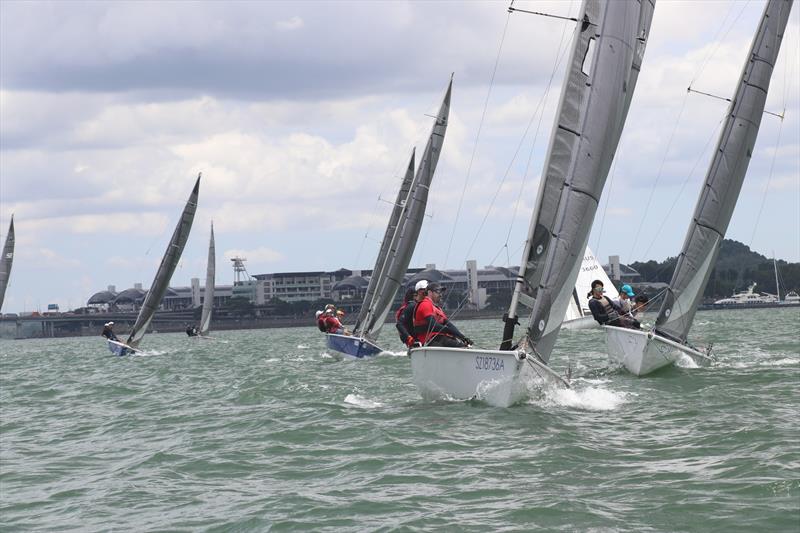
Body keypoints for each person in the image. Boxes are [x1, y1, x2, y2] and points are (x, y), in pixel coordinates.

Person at [412, 280, 473, 348]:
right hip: (429, 341)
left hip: (440, 338)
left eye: (441, 292)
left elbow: (449, 325)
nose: (440, 294)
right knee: (456, 344)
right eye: (438, 292)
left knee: (464, 345)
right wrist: (449, 331)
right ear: (430, 292)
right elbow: (432, 324)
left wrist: (463, 337)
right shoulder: (425, 304)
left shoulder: (438, 309)